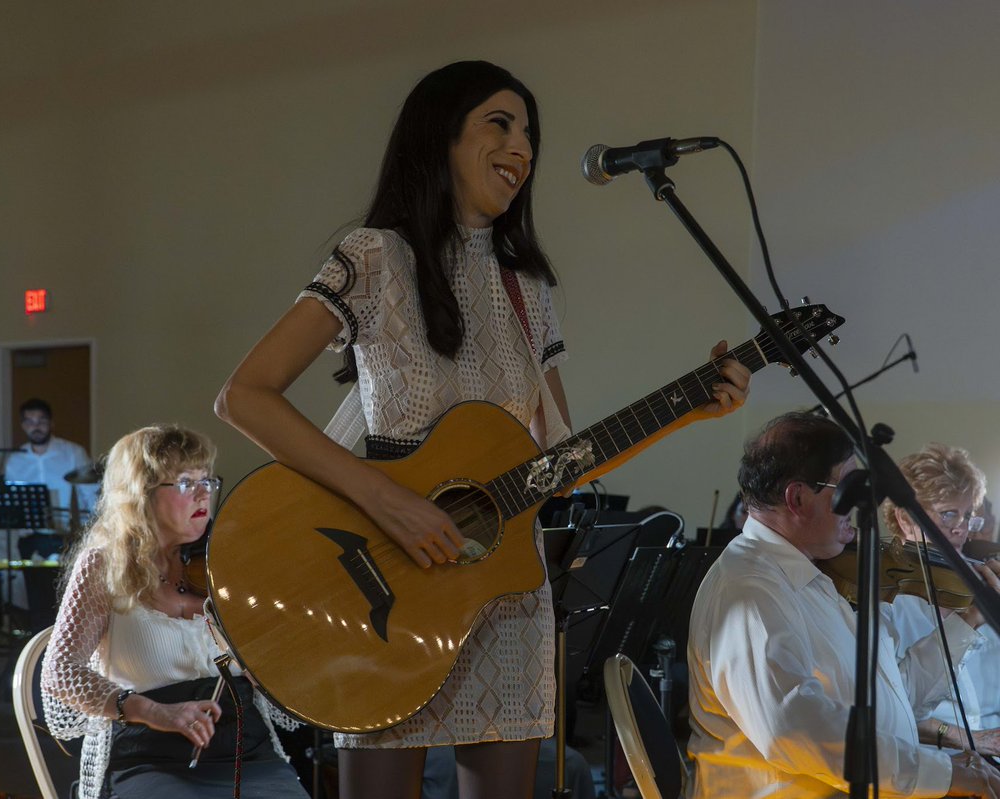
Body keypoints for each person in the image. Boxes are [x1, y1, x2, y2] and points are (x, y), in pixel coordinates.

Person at [215, 60, 749, 799]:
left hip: (504, 595)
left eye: (529, 132)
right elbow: (244, 395)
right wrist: (388, 499)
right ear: (440, 138)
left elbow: (563, 461)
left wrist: (693, 404)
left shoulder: (528, 288)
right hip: (388, 589)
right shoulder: (373, 256)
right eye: (500, 124)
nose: (523, 147)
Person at [687, 412, 1000, 798]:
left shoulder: (816, 575)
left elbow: (892, 693)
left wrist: (970, 619)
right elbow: (799, 732)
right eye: (847, 487)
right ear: (798, 498)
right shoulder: (750, 593)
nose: (859, 503)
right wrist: (944, 774)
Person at [40, 424, 307, 799]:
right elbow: (60, 673)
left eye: (207, 481)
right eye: (184, 482)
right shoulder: (104, 567)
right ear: (140, 494)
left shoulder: (224, 563)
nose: (203, 494)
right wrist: (152, 712)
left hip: (246, 752)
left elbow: (276, 657)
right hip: (148, 756)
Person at [881, 443, 1000, 756]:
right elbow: (885, 707)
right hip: (929, 761)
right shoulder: (885, 597)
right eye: (949, 514)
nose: (961, 530)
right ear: (905, 520)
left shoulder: (985, 580)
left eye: (968, 516)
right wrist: (965, 738)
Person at [6, 397, 96, 546]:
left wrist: (92, 532)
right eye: (29, 422)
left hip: (69, 535)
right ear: (23, 425)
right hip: (30, 537)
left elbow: (91, 494)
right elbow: (12, 502)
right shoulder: (15, 460)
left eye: (41, 421)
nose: (36, 427)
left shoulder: (73, 452)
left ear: (51, 423)